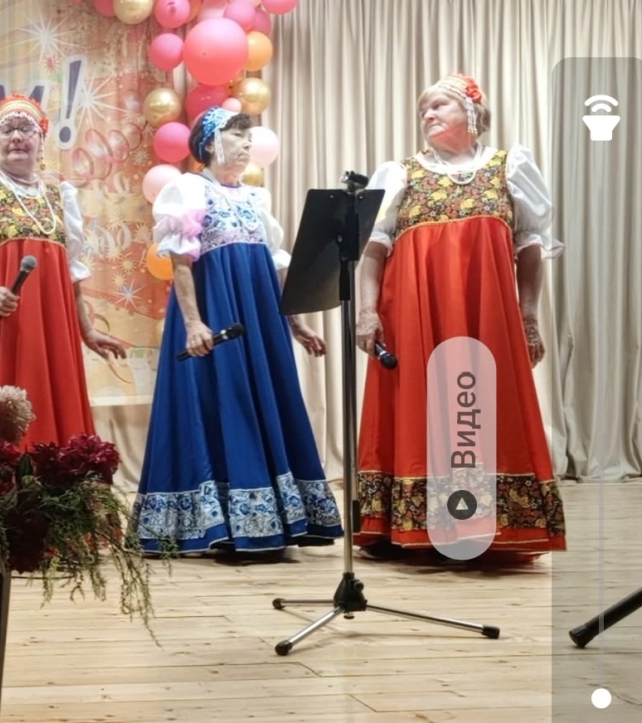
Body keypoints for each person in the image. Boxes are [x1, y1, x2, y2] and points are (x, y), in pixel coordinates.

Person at [354, 74, 565, 561]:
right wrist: (367, 312)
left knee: (482, 407)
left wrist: (529, 318)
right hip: (413, 316)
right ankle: (411, 526)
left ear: (472, 113)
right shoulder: (400, 174)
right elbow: (373, 250)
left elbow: (529, 248)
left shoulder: (509, 168)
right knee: (421, 407)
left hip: (485, 316)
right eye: (423, 109)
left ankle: (485, 525)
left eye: (438, 105)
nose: (427, 114)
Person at [132, 107, 343, 561]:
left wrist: (296, 322)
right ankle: (223, 523)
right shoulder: (188, 189)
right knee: (220, 403)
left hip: (261, 319)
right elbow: (181, 262)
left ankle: (274, 518)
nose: (248, 144)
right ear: (211, 143)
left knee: (264, 400)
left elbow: (275, 264)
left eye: (250, 138)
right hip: (216, 313)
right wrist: (193, 322)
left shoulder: (255, 199)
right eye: (237, 135)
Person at [0, 94, 126, 448]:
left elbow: (70, 277)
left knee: (51, 405)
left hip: (51, 330)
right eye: (7, 130)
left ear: (41, 140)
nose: (17, 137)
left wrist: (86, 330)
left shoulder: (59, 196)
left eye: (25, 129)